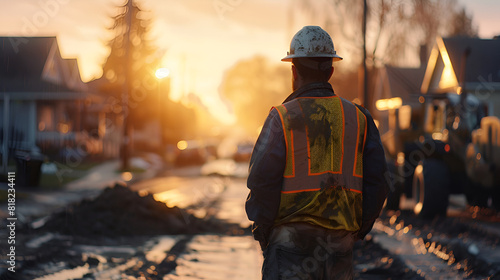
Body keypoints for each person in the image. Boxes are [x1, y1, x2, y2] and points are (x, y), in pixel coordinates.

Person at [245, 25, 390, 279]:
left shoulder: (282, 117)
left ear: (294, 70)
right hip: (339, 249)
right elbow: (378, 183)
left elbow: (261, 181)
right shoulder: (359, 118)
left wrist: (264, 232)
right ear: (331, 71)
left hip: (290, 246)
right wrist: (357, 230)